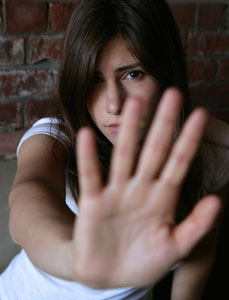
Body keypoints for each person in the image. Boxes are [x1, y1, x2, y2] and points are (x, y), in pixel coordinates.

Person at [0, 0, 228, 299]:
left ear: (166, 71)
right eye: (94, 79)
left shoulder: (210, 149)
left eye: (133, 74)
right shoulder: (56, 138)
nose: (112, 104)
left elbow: (200, 243)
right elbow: (29, 200)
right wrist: (77, 258)